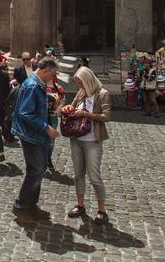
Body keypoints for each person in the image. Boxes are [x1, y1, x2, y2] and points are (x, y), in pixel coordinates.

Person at [10, 57, 60, 219]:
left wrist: (49, 98)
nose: (53, 78)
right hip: (31, 134)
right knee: (37, 169)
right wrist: (46, 127)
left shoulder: (37, 83)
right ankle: (21, 204)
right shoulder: (33, 85)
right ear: (46, 71)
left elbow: (33, 104)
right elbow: (26, 112)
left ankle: (31, 203)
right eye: (53, 74)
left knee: (38, 168)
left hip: (34, 133)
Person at [63, 65, 111, 224]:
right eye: (77, 83)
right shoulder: (81, 93)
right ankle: (80, 204)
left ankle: (101, 209)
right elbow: (73, 106)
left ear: (88, 80)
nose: (79, 86)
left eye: (81, 83)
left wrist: (85, 114)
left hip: (92, 141)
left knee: (94, 176)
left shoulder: (102, 94)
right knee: (78, 174)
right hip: (76, 138)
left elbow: (106, 116)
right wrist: (69, 107)